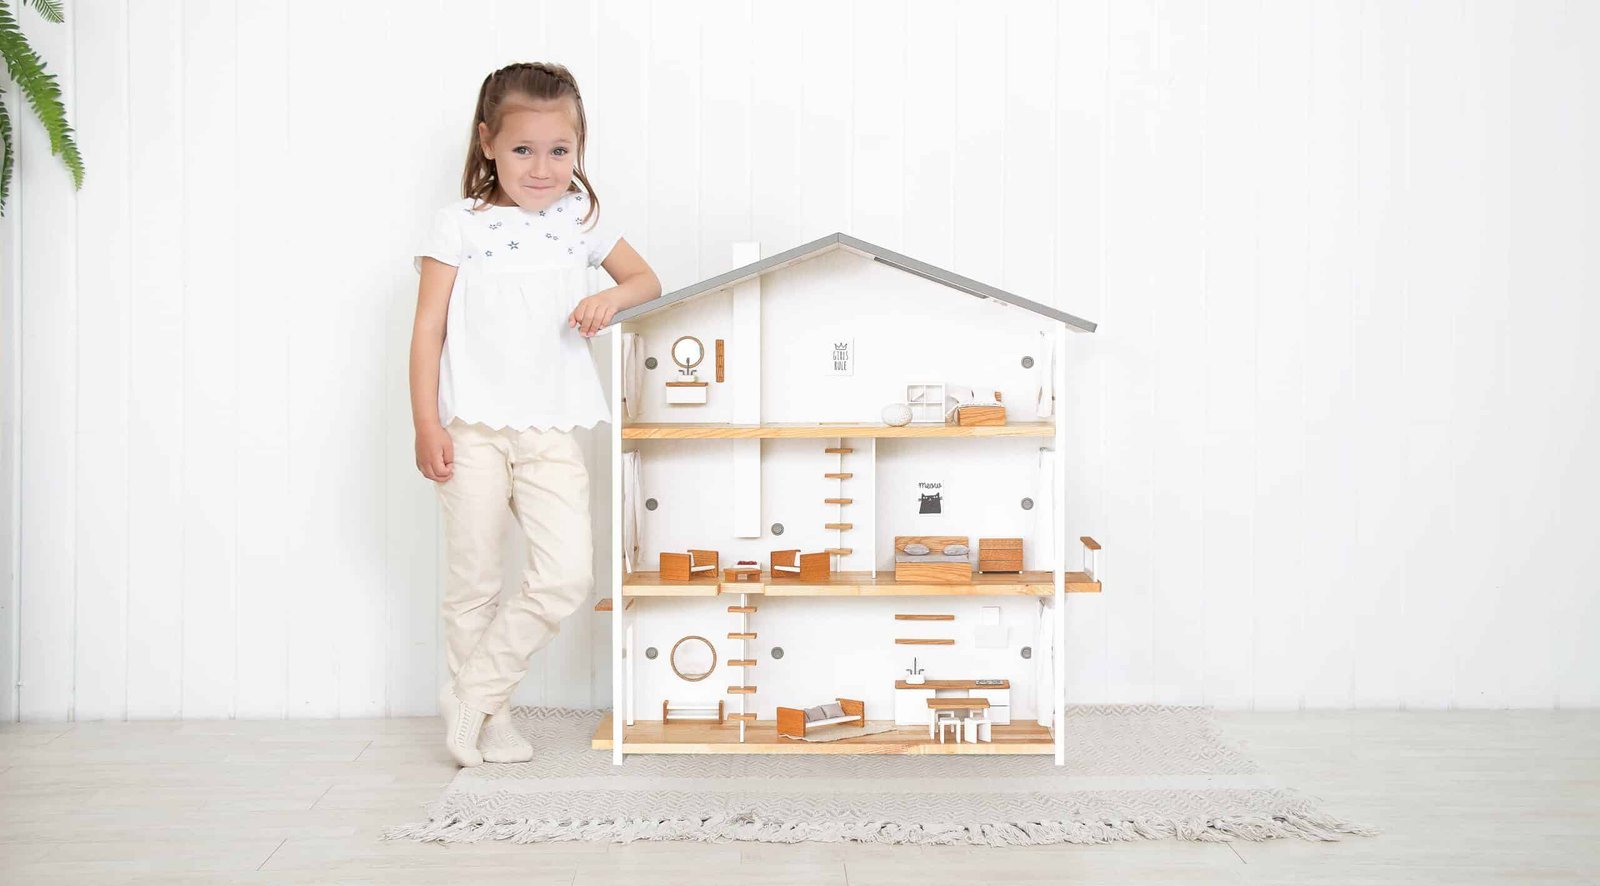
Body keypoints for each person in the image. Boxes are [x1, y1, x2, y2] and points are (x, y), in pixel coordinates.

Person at [409, 62, 660, 767]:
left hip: (551, 427)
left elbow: (645, 278)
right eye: (523, 149)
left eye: (560, 151)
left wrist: (608, 299)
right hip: (472, 429)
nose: (543, 168)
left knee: (566, 575)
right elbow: (428, 328)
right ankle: (489, 722)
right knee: (474, 582)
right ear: (487, 142)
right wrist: (427, 422)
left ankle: (474, 692)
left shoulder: (580, 219)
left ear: (578, 150)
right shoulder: (459, 225)